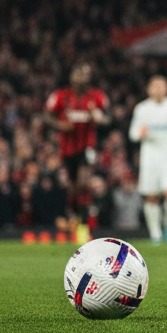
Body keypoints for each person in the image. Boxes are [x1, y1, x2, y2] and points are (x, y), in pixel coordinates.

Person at [128, 74, 167, 245]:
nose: (158, 90)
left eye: (161, 86)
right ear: (149, 89)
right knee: (151, 197)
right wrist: (139, 134)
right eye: (154, 86)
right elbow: (132, 133)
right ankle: (155, 233)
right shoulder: (142, 109)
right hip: (150, 158)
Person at [43, 61, 109, 220]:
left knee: (84, 182)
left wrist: (99, 118)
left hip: (88, 145)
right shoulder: (61, 95)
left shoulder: (97, 96)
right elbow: (46, 115)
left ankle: (85, 219)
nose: (81, 78)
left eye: (85, 75)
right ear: (72, 76)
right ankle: (74, 214)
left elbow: (108, 118)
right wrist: (60, 124)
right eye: (78, 74)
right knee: (72, 186)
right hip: (67, 148)